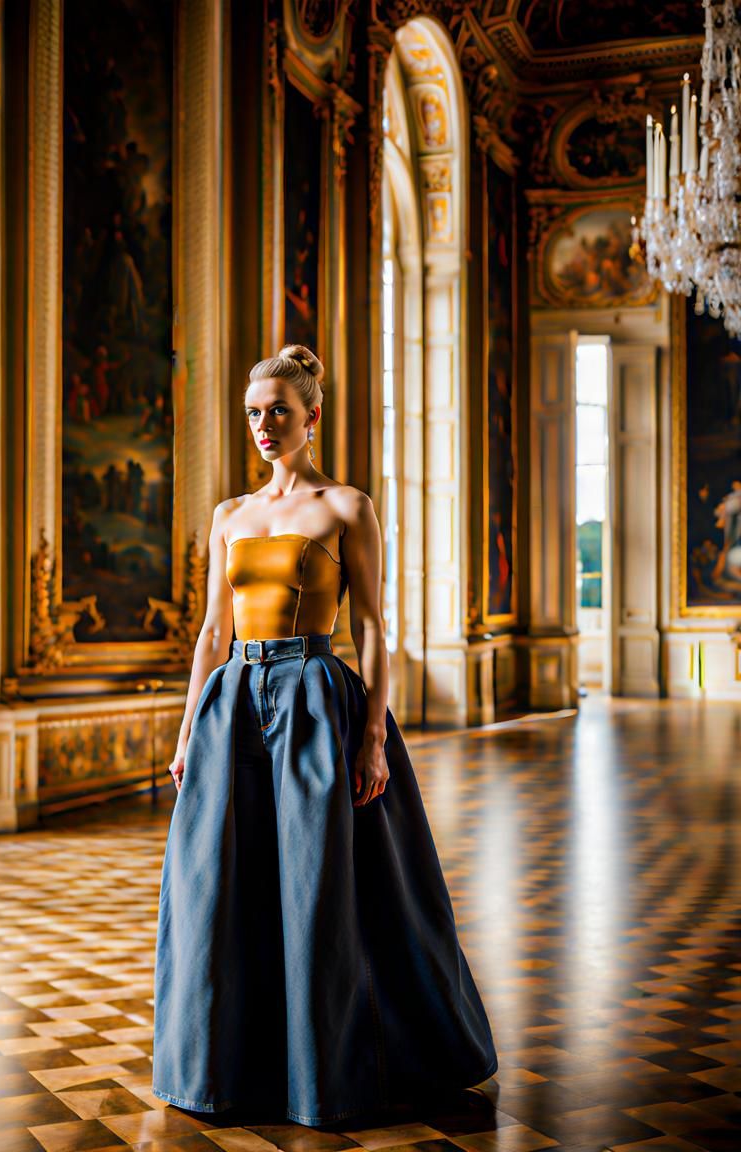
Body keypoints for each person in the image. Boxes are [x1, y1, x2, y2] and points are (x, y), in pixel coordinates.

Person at [152, 344, 497, 1127]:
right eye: (252, 413)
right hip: (233, 701)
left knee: (316, 888)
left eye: (278, 410)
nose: (264, 425)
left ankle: (328, 1071)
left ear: (311, 415)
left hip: (315, 698)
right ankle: (225, 1071)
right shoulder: (229, 515)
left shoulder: (347, 507)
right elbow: (211, 632)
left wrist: (373, 734)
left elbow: (373, 628)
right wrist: (185, 732)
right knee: (219, 886)